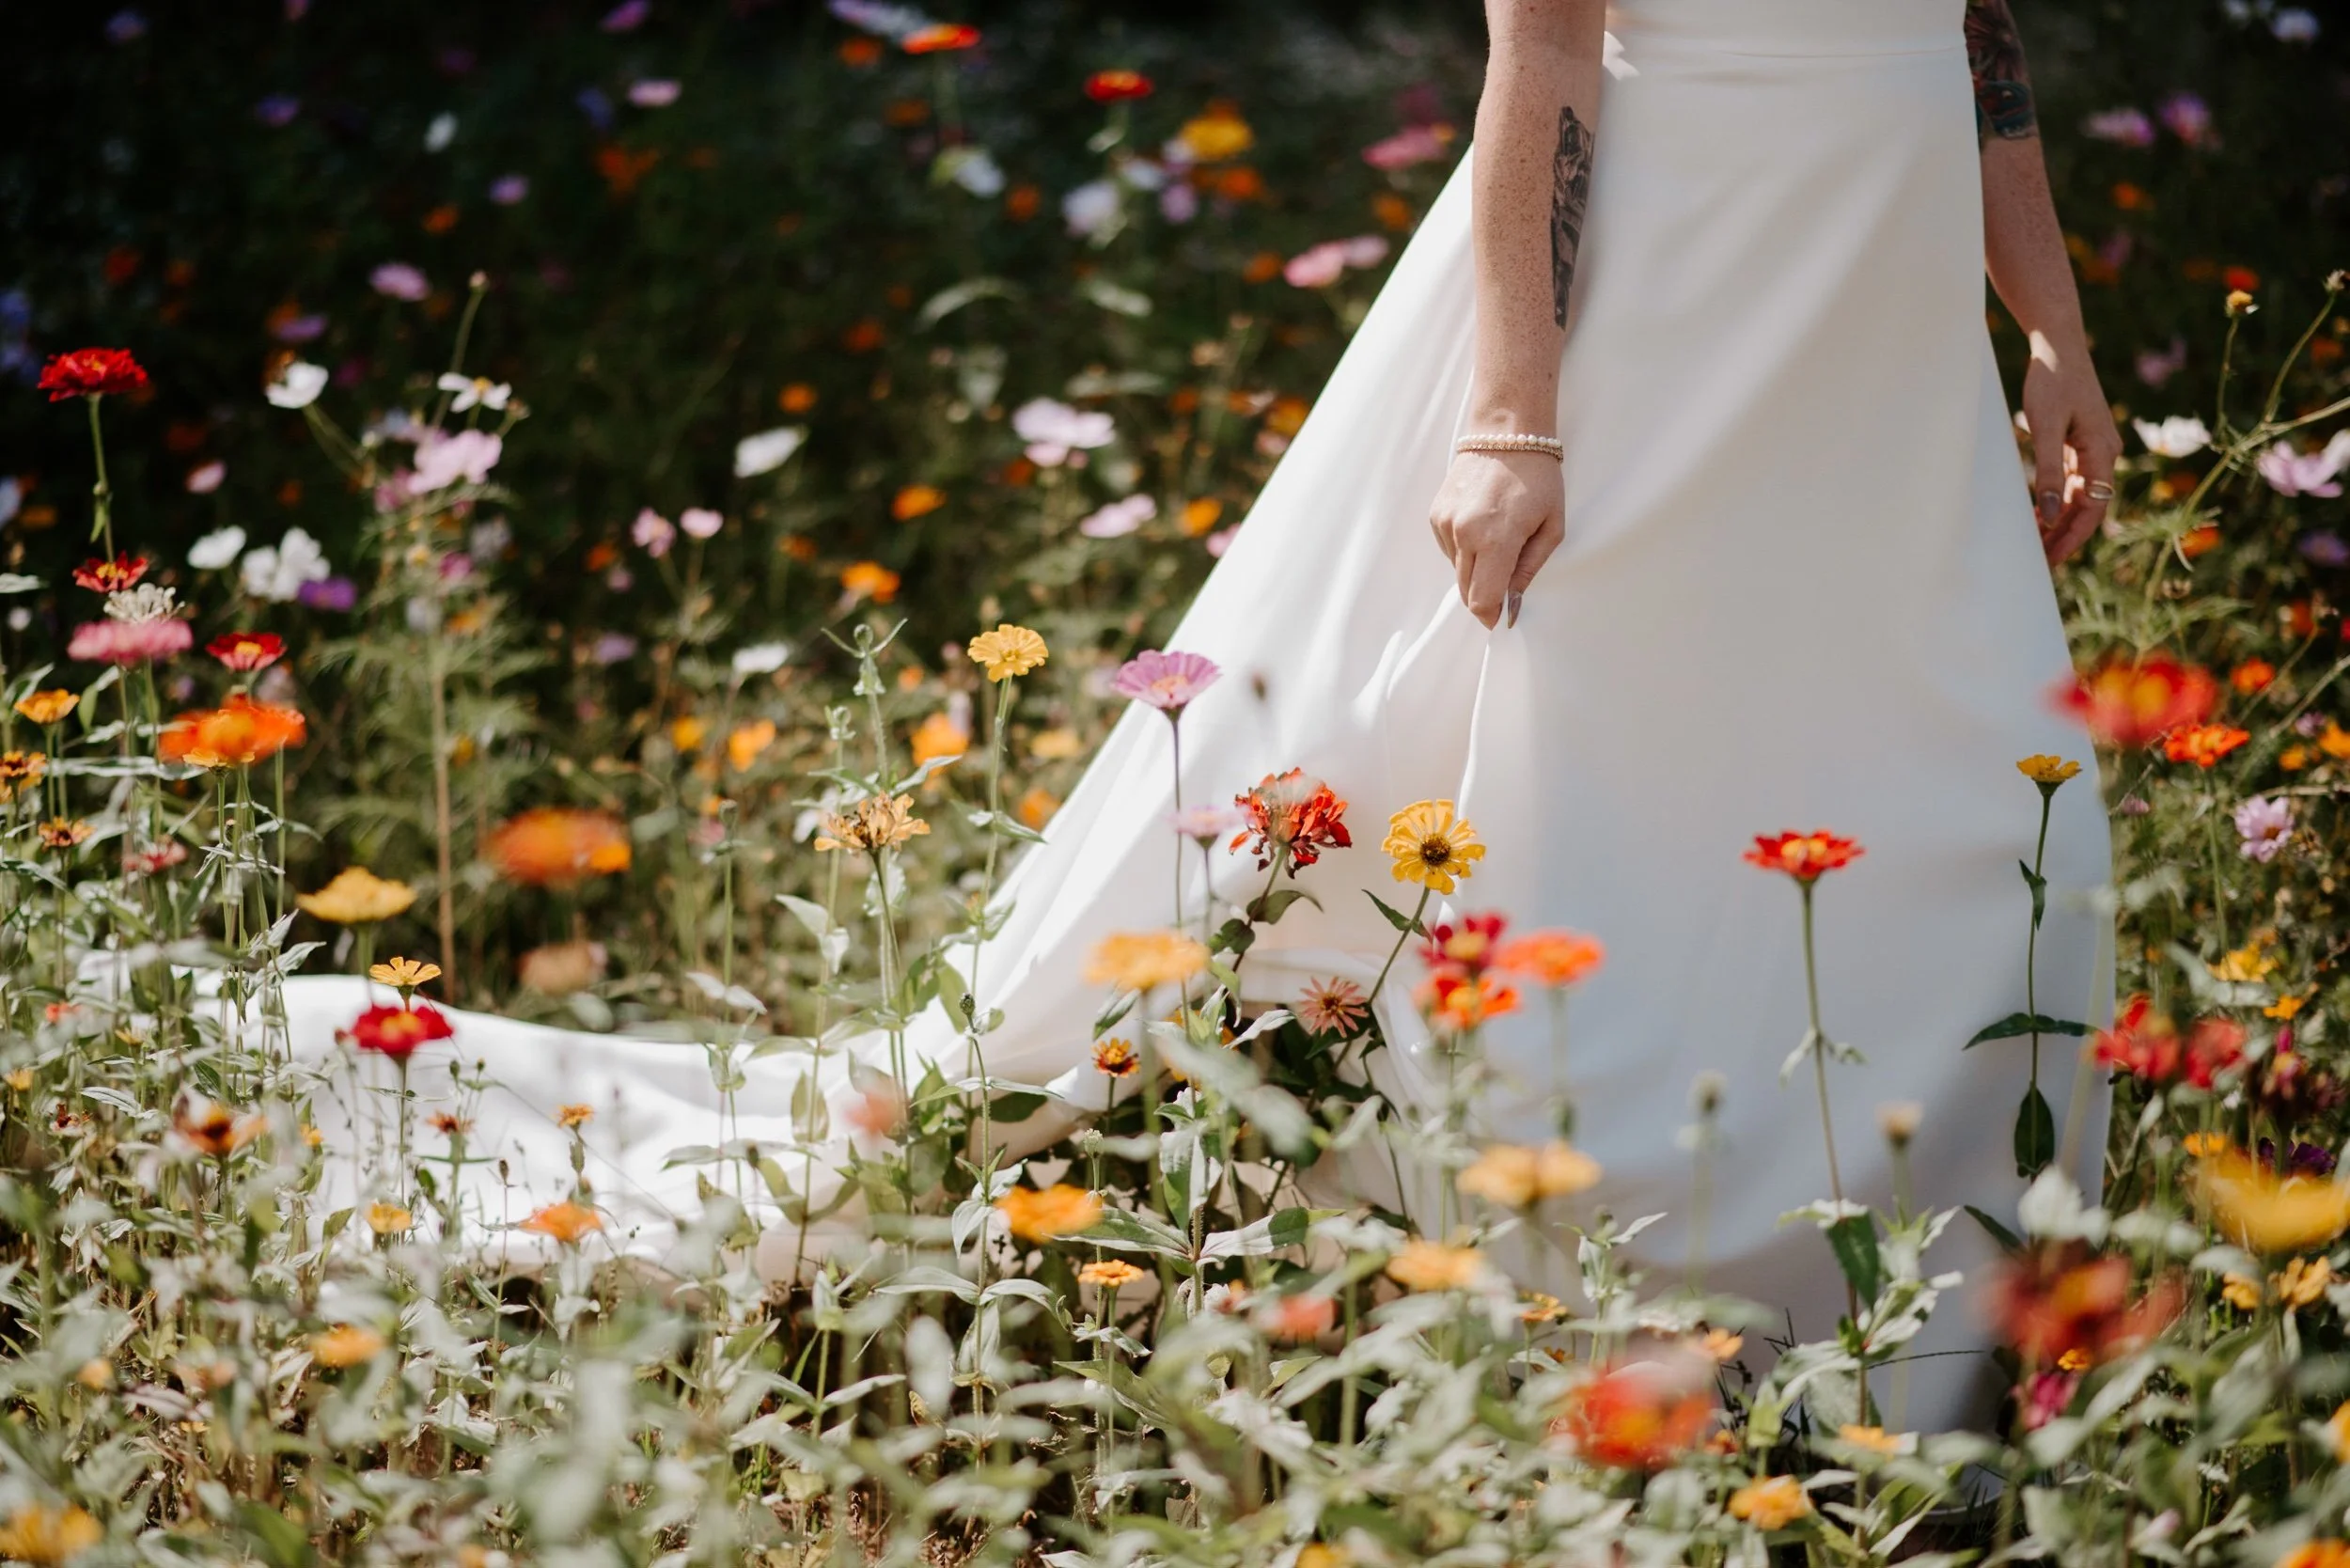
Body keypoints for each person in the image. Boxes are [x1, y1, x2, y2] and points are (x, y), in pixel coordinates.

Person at [274, 0, 2115, 1432]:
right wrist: (1513, 420)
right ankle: (1618, 1336)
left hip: (1875, 375)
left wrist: (2046, 332)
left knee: (1955, 797)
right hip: (1667, 324)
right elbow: (1542, 58)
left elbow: (1971, 30)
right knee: (1617, 798)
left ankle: (1933, 1356)